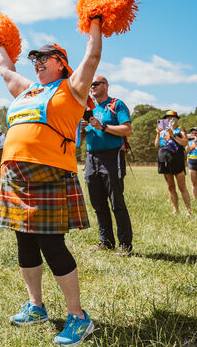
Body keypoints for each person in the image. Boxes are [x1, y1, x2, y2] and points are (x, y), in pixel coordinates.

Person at [0, 21, 101, 345]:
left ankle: (79, 317)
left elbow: (93, 54)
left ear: (61, 62)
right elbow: (4, 68)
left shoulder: (73, 88)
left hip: (50, 174)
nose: (38, 62)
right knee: (24, 243)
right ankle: (36, 306)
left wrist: (95, 20)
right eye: (34, 58)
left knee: (52, 245)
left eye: (45, 57)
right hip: (15, 177)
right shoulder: (27, 90)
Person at [81, 75, 134, 256]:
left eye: (96, 83)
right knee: (98, 203)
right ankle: (106, 241)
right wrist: (81, 127)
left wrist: (102, 126)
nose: (92, 86)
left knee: (116, 202)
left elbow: (127, 129)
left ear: (106, 86)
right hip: (91, 158)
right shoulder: (87, 108)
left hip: (112, 157)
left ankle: (125, 245)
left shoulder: (116, 105)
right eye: (91, 84)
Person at [155, 110, 191, 216]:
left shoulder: (180, 130)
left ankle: (188, 211)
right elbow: (156, 145)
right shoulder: (162, 132)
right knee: (170, 186)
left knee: (182, 186)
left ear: (177, 119)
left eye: (172, 117)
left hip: (177, 160)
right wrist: (158, 133)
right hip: (164, 159)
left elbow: (185, 142)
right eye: (167, 117)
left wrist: (173, 135)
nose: (170, 119)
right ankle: (175, 210)